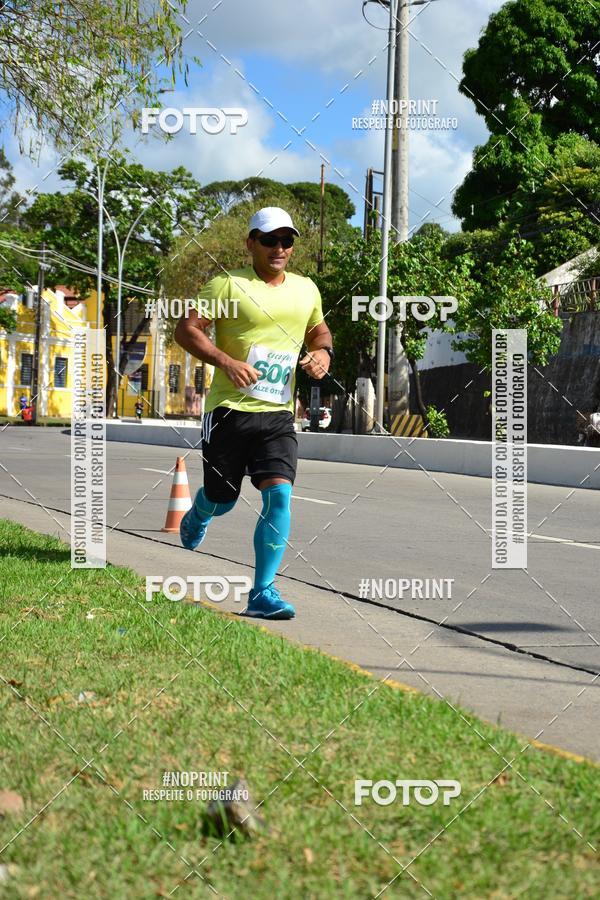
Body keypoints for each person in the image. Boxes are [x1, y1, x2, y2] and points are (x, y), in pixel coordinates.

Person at [174, 206, 333, 620]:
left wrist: (322, 354)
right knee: (223, 500)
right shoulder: (227, 285)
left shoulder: (306, 289)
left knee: (279, 496)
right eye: (269, 240)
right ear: (250, 243)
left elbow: (319, 332)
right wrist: (225, 361)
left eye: (287, 240)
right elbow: (186, 329)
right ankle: (201, 511)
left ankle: (262, 592)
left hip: (278, 413)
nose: (279, 248)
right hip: (229, 411)